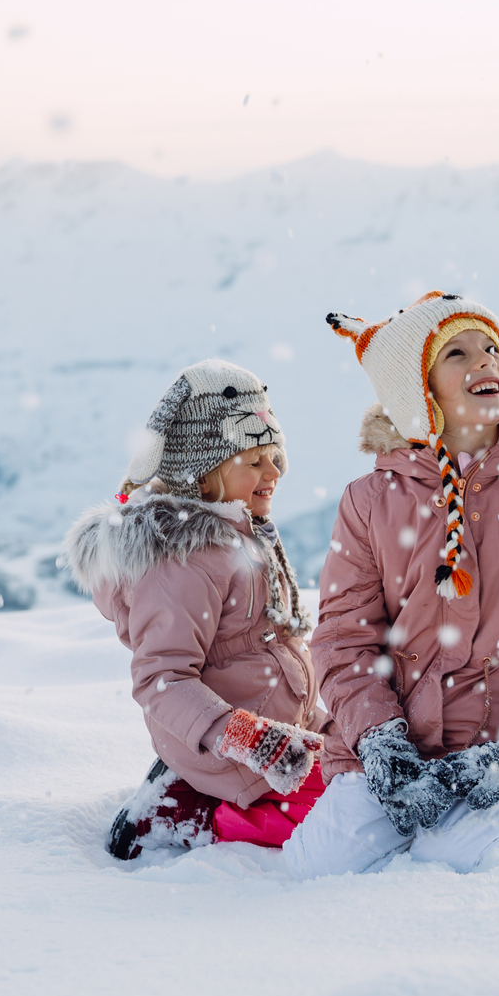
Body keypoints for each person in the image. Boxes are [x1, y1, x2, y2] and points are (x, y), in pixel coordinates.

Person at [282, 292, 499, 878]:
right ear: (417, 390)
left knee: (456, 857)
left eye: (492, 348)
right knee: (317, 865)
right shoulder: (370, 501)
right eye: (458, 353)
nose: (484, 363)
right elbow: (343, 638)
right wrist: (381, 742)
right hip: (409, 743)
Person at [65, 360, 327, 859]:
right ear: (201, 476)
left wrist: (323, 726)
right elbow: (162, 680)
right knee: (336, 816)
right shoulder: (184, 562)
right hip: (228, 746)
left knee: (359, 777)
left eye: (274, 455)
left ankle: (201, 788)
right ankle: (192, 814)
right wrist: (248, 738)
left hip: (273, 735)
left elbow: (264, 656)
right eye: (253, 461)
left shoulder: (241, 534)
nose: (274, 472)